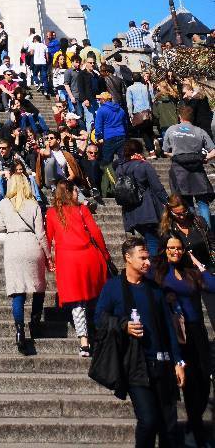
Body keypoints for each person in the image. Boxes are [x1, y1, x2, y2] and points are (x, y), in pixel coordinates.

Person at [94, 237, 184, 448]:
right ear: (128, 258)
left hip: (162, 363)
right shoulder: (113, 287)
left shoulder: (155, 289)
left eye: (148, 258)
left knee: (169, 426)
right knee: (148, 420)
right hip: (135, 365)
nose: (147, 262)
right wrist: (123, 325)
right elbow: (99, 318)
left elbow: (169, 327)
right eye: (142, 258)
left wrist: (178, 361)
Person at [150, 237, 214, 446]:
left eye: (179, 248)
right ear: (164, 250)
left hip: (198, 332)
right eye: (171, 248)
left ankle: (193, 424)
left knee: (205, 381)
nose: (175, 251)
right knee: (190, 382)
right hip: (178, 333)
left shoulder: (190, 273)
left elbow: (212, 285)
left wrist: (197, 262)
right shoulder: (160, 272)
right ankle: (195, 429)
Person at [45, 181, 110, 356]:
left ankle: (84, 341)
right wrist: (105, 253)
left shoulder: (51, 213)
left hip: (67, 260)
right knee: (95, 298)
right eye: (75, 190)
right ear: (69, 193)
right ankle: (101, 334)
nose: (77, 193)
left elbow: (47, 238)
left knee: (77, 302)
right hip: (88, 256)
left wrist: (47, 260)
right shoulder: (82, 209)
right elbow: (96, 232)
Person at [0, 172, 51, 355]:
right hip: (31, 244)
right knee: (38, 286)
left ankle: (19, 330)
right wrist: (48, 255)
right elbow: (41, 233)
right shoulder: (33, 204)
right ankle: (35, 322)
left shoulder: (4, 203)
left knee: (17, 291)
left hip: (13, 246)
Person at [161, 102, 215, 229]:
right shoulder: (199, 131)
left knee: (187, 203)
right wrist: (205, 158)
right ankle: (207, 231)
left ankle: (193, 230)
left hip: (179, 171)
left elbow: (165, 151)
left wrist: (174, 155)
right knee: (202, 203)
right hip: (197, 170)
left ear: (180, 116)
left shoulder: (171, 130)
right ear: (192, 117)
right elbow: (213, 150)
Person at [112, 140, 168, 258]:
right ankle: (155, 270)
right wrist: (169, 202)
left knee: (150, 239)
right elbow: (157, 187)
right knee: (153, 241)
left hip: (131, 211)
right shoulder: (143, 165)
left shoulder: (119, 169)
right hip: (148, 210)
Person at [93, 89, 128, 171]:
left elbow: (98, 126)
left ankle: (108, 178)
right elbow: (125, 123)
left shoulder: (101, 110)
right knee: (123, 159)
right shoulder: (120, 109)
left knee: (107, 159)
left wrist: (97, 136)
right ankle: (124, 175)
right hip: (121, 135)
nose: (99, 100)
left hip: (109, 136)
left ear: (104, 100)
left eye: (100, 99)